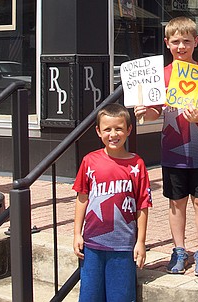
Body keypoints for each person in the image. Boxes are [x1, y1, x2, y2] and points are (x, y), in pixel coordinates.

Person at [133, 17, 198, 276]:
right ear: (167, 43)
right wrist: (143, 111)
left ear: (196, 42)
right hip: (172, 149)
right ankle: (179, 249)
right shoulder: (160, 75)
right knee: (176, 201)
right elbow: (152, 114)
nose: (181, 46)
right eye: (176, 42)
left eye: (186, 41)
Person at [73, 103, 151, 302]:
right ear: (98, 131)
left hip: (123, 246)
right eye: (107, 129)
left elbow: (142, 205)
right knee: (90, 296)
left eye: (119, 128)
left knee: (121, 297)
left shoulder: (137, 164)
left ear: (129, 130)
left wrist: (140, 242)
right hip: (92, 244)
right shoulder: (89, 161)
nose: (113, 134)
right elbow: (82, 197)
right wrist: (76, 233)